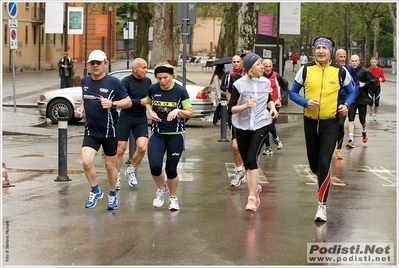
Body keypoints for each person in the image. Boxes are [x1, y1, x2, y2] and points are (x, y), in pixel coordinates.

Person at [289, 36, 355, 222]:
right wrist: (305, 102)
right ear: (314, 51)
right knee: (314, 165)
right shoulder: (306, 69)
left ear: (330, 51)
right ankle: (321, 179)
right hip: (310, 121)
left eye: (324, 48)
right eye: (318, 47)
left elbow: (351, 92)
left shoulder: (340, 71)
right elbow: (293, 93)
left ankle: (322, 206)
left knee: (325, 162)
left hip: (330, 122)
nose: (321, 51)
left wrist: (346, 105)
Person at [76, 50, 132, 210]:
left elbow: (127, 102)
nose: (95, 65)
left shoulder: (113, 82)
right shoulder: (85, 80)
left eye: (98, 63)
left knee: (109, 166)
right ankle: (95, 190)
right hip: (91, 131)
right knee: (86, 162)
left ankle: (113, 194)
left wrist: (112, 104)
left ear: (105, 64)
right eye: (92, 63)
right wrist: (81, 109)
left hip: (110, 132)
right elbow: (85, 99)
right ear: (89, 65)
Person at [228, 53, 279, 212]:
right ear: (250, 68)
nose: (262, 67)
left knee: (251, 159)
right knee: (248, 162)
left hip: (262, 124)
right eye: (258, 64)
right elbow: (231, 108)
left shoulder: (265, 82)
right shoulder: (239, 84)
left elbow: (269, 99)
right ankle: (255, 189)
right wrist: (245, 106)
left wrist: (272, 108)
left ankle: (251, 198)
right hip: (242, 126)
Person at [145, 62, 193, 211]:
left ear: (172, 75)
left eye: (165, 77)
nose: (162, 81)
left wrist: (178, 111)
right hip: (157, 134)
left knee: (171, 170)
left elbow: (189, 112)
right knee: (154, 167)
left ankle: (173, 198)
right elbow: (147, 103)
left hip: (175, 134)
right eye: (159, 78)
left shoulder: (180, 91)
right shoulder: (153, 89)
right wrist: (150, 112)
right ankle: (161, 189)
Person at [115, 58, 152, 190]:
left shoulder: (147, 81)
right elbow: (123, 100)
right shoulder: (125, 82)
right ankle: (117, 176)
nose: (146, 70)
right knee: (120, 149)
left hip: (140, 118)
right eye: (143, 67)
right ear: (134, 69)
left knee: (142, 147)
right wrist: (139, 102)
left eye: (146, 67)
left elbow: (149, 100)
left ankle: (131, 170)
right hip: (126, 117)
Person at [346, 54, 377, 149]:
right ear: (350, 62)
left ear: (359, 61)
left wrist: (364, 84)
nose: (354, 63)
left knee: (362, 120)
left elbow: (374, 81)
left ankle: (364, 130)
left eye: (356, 61)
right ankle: (351, 140)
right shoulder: (347, 71)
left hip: (362, 99)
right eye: (352, 61)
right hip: (352, 99)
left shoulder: (365, 71)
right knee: (350, 118)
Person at [334, 49, 360, 160]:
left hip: (344, 100)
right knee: (330, 124)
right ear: (336, 58)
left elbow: (357, 82)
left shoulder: (349, 68)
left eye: (344, 56)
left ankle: (339, 149)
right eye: (340, 57)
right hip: (332, 98)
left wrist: (352, 94)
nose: (343, 59)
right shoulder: (332, 68)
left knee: (340, 124)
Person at [225, 54, 246, 187]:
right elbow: (228, 92)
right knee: (235, 146)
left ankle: (251, 170)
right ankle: (239, 171)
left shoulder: (258, 78)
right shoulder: (234, 77)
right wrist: (232, 104)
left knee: (252, 150)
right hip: (237, 116)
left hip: (253, 118)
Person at [262, 59, 289, 155]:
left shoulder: (277, 77)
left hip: (275, 105)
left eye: (270, 66)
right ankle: (268, 147)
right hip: (263, 105)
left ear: (272, 66)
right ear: (263, 67)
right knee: (264, 126)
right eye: (266, 66)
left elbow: (286, 90)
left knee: (270, 125)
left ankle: (275, 138)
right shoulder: (259, 77)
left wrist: (280, 98)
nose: (268, 68)